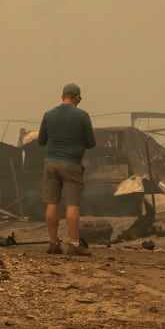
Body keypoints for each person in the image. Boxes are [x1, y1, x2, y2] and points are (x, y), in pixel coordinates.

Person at [38, 83, 96, 256]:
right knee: (72, 205)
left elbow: (41, 140)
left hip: (50, 164)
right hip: (71, 164)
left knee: (52, 203)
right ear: (77, 97)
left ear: (62, 96)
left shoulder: (48, 115)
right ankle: (74, 244)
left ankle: (53, 243)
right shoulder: (82, 115)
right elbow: (91, 142)